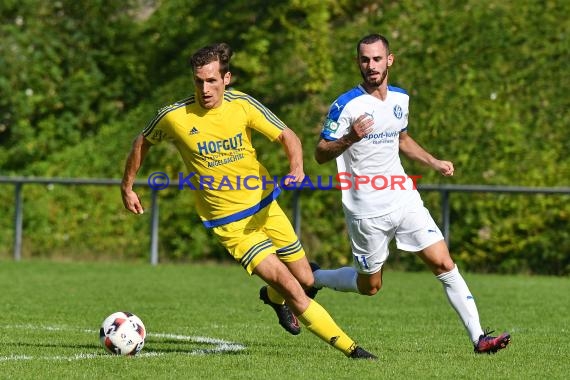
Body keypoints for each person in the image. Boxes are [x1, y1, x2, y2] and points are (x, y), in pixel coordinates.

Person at [121, 42, 376, 359]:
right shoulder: (174, 117)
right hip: (233, 227)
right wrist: (128, 186)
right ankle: (353, 351)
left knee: (306, 278)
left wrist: (296, 167)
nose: (205, 88)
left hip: (267, 207)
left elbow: (287, 135)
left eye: (212, 80)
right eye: (198, 81)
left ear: (226, 78)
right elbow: (142, 141)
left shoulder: (242, 105)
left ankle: (272, 297)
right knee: (293, 287)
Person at [312, 33, 510, 354]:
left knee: (444, 263)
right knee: (370, 287)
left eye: (377, 59)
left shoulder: (401, 98)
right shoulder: (345, 105)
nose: (371, 65)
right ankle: (315, 277)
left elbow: (402, 138)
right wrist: (349, 137)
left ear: (390, 60)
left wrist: (433, 161)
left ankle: (479, 338)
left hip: (403, 196)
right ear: (358, 63)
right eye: (365, 60)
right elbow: (321, 153)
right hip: (366, 209)